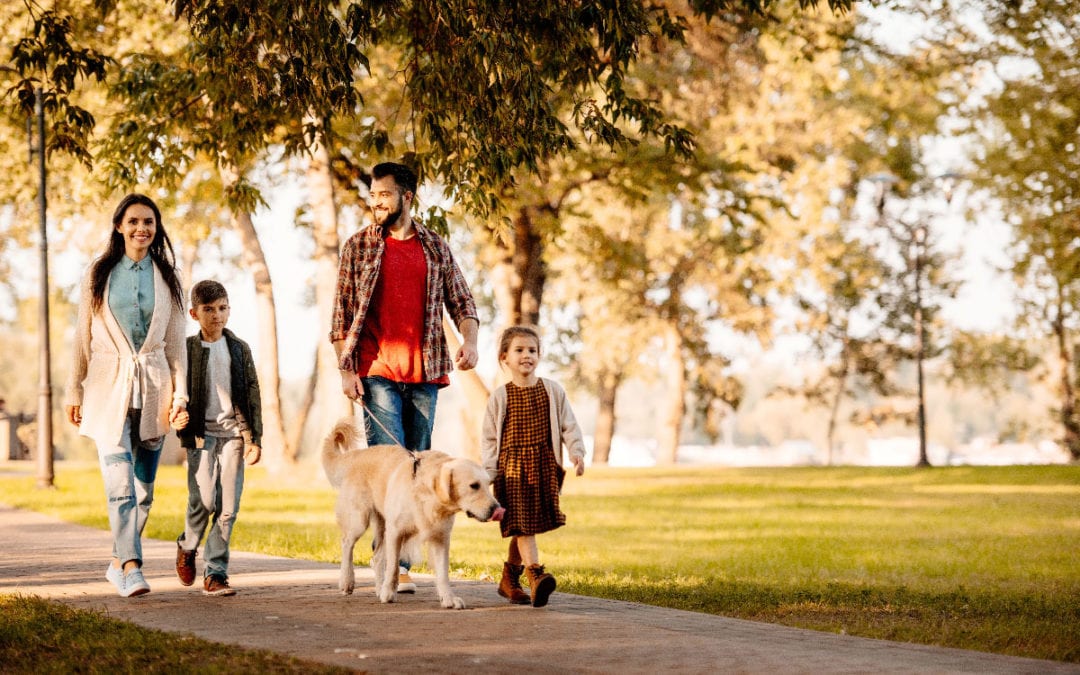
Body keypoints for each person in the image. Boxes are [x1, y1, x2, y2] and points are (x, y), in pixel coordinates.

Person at [330, 161, 480, 593]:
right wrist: (346, 370)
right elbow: (340, 317)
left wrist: (469, 342)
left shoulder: (435, 248)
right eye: (372, 196)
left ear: (407, 198)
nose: (376, 203)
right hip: (376, 371)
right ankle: (389, 564)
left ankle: (400, 561)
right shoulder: (358, 246)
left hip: (426, 375)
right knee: (391, 466)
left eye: (384, 195)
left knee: (419, 470)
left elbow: (464, 303)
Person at [64, 193, 188, 598]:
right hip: (106, 388)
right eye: (133, 221)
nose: (142, 228)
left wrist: (180, 396)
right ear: (119, 226)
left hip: (154, 390)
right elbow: (82, 337)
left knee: (144, 490)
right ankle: (132, 566)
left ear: (157, 228)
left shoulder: (168, 277)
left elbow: (175, 345)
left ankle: (118, 560)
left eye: (149, 221)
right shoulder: (98, 273)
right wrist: (73, 390)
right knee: (119, 484)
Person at [481, 325, 586, 607]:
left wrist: (576, 452)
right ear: (504, 357)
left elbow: (568, 424)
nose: (527, 355)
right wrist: (488, 474)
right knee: (523, 523)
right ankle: (536, 575)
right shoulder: (499, 397)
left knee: (525, 523)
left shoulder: (552, 390)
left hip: (543, 466)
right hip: (511, 470)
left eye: (532, 350)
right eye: (519, 350)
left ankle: (508, 580)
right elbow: (490, 439)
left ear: (539, 355)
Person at [171, 280, 262, 597]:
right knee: (204, 501)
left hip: (234, 437)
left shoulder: (239, 349)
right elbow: (176, 394)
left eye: (222, 308)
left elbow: (252, 395)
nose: (217, 316)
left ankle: (216, 573)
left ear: (229, 310)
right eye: (209, 310)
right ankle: (187, 545)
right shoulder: (186, 350)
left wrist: (255, 439)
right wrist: (177, 416)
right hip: (200, 437)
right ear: (195, 313)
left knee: (227, 507)